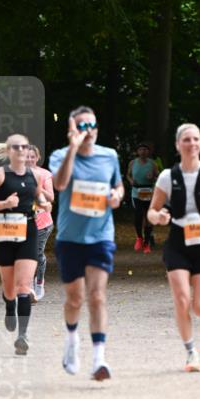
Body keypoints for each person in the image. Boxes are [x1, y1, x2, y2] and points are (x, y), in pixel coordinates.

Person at [147, 123, 200, 372]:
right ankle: (191, 353)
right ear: (177, 145)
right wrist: (159, 217)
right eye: (186, 140)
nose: (192, 144)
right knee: (182, 300)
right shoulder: (167, 177)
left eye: (196, 139)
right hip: (178, 243)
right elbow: (152, 211)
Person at [49, 106, 124, 381]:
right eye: (81, 126)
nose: (88, 131)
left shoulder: (109, 156)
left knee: (97, 296)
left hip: (101, 236)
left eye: (91, 125)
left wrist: (117, 194)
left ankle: (99, 359)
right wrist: (72, 148)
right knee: (75, 298)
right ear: (72, 130)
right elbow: (59, 184)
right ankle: (71, 340)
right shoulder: (59, 155)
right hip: (70, 238)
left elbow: (118, 185)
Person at [0, 135, 48, 355]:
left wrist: (43, 203)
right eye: (15, 147)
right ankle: (9, 305)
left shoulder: (34, 175)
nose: (20, 150)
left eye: (24, 147)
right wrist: (5, 204)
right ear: (8, 151)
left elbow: (39, 196)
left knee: (24, 287)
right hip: (3, 231)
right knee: (9, 289)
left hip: (28, 230)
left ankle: (22, 336)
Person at [26, 144, 54, 300]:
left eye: (32, 156)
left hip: (43, 222)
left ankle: (39, 282)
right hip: (23, 221)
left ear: (37, 158)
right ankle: (28, 286)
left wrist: (37, 187)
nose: (29, 159)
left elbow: (51, 197)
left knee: (36, 254)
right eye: (26, 156)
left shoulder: (45, 174)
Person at [127, 142, 157, 252]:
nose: (143, 151)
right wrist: (131, 181)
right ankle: (139, 237)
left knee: (149, 217)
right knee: (138, 215)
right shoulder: (132, 163)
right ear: (137, 152)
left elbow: (158, 177)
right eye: (140, 149)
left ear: (148, 152)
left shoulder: (152, 163)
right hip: (136, 192)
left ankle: (147, 243)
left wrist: (153, 177)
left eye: (145, 149)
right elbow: (128, 175)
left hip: (149, 191)